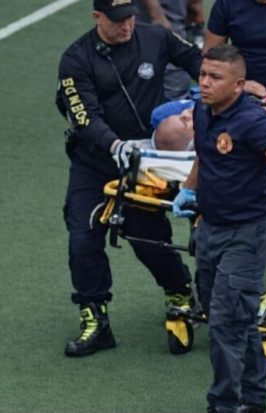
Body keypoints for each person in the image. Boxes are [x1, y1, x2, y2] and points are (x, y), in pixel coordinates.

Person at [172, 44, 266, 413]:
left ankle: (223, 404)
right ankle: (254, 400)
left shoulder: (254, 121)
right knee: (233, 319)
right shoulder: (203, 110)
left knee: (225, 323)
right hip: (210, 230)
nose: (204, 83)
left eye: (215, 77)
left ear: (238, 85)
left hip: (247, 235)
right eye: (202, 74)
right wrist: (188, 190)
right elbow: (205, 154)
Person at [55, 0, 203, 357]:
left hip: (146, 163)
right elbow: (83, 116)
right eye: (118, 20)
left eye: (130, 18)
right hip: (95, 162)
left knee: (147, 237)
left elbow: (197, 61)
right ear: (97, 17)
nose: (127, 26)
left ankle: (180, 292)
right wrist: (115, 145)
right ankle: (95, 319)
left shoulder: (156, 38)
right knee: (83, 238)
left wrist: (219, 91)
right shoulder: (76, 59)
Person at [135, 0, 205, 99]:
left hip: (159, 25)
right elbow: (195, 6)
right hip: (163, 25)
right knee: (175, 91)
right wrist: (158, 16)